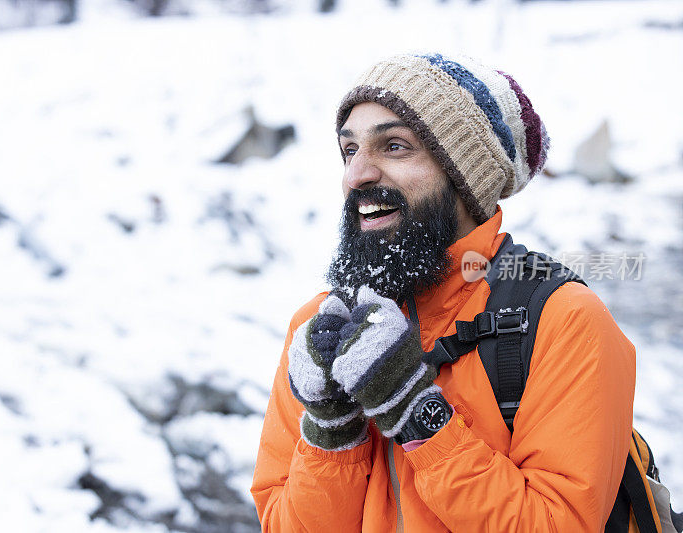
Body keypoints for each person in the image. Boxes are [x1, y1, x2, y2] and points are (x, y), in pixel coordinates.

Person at [250, 53, 636, 531]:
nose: (357, 176)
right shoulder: (319, 327)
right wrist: (331, 431)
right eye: (349, 150)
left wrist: (418, 417)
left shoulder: (563, 321)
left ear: (464, 177)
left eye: (393, 146)